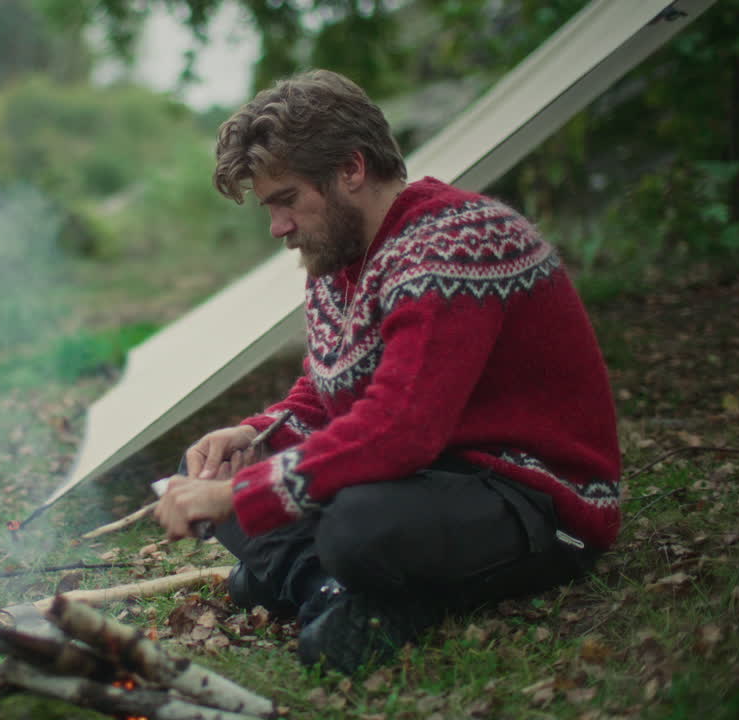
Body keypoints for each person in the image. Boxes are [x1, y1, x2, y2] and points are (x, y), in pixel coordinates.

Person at [154, 69, 621, 674]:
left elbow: (401, 427)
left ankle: (320, 578)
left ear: (351, 169)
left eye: (286, 199)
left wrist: (240, 494)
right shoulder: (340, 261)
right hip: (432, 479)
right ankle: (327, 589)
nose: (277, 228)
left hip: (538, 501)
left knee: (353, 527)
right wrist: (255, 436)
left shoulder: (456, 240)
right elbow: (328, 395)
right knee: (206, 479)